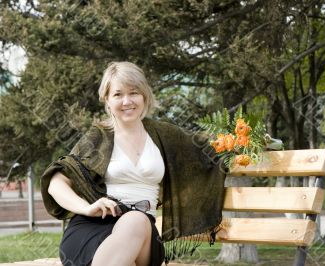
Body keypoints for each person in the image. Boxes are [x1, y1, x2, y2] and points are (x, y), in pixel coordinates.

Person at [41, 62, 226, 266]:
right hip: (92, 228)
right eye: (118, 94)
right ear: (107, 101)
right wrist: (87, 208)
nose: (127, 101)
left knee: (136, 219)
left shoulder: (165, 135)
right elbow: (55, 183)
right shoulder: (99, 137)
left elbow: (213, 151)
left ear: (144, 96)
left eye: (134, 92)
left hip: (143, 232)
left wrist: (248, 142)